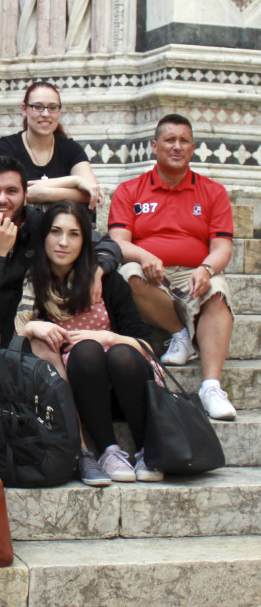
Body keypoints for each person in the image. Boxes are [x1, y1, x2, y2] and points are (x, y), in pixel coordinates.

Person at [15, 201, 163, 483]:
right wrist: (33, 325)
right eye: (55, 232)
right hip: (77, 389)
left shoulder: (107, 282)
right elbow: (18, 345)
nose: (63, 242)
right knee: (85, 352)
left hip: (127, 385)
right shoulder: (33, 285)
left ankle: (148, 448)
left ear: (84, 241)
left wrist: (107, 336)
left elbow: (146, 347)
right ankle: (108, 449)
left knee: (119, 353)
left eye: (74, 234)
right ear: (43, 236)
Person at [108, 114, 236, 421]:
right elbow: (118, 241)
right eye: (169, 140)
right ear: (154, 146)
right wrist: (143, 255)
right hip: (151, 275)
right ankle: (180, 332)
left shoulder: (213, 192)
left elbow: (222, 247)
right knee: (127, 275)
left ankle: (211, 386)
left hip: (194, 274)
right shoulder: (130, 190)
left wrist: (206, 268)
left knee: (219, 291)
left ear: (192, 148)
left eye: (184, 141)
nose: (176, 147)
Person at [0, 156, 121, 362]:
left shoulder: (41, 224)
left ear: (26, 195)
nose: (2, 199)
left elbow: (108, 245)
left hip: (35, 321)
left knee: (45, 343)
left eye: (11, 191)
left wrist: (98, 269)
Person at [0, 81, 101, 211]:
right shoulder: (6, 147)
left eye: (52, 107)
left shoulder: (71, 149)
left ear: (59, 111)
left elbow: (92, 193)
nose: (46, 114)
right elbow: (10, 191)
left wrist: (47, 194)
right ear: (24, 110)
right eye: (38, 107)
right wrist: (75, 182)